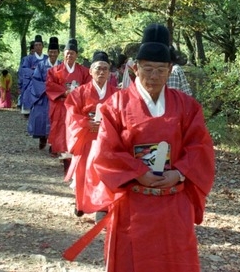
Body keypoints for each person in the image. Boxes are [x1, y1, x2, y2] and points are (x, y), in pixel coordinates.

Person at [66, 24, 215, 271]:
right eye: (147, 68)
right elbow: (106, 152)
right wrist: (138, 172)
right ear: (135, 69)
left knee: (174, 262)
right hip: (132, 202)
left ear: (170, 70)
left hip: (173, 203)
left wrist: (178, 173)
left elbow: (200, 147)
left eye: (160, 69)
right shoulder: (116, 104)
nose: (154, 75)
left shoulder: (187, 106)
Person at [64, 51, 118, 217]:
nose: (101, 72)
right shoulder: (79, 92)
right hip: (87, 136)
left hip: (107, 139)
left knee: (105, 172)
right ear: (90, 71)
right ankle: (81, 204)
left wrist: (106, 125)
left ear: (110, 72)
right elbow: (72, 113)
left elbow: (123, 116)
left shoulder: (117, 93)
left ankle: (102, 207)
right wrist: (86, 123)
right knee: (83, 172)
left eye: (105, 69)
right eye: (98, 69)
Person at [45, 38, 91, 172]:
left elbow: (88, 86)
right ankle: (66, 162)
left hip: (77, 106)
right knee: (62, 133)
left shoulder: (84, 71)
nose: (69, 55)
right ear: (63, 54)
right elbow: (49, 84)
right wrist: (65, 92)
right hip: (61, 106)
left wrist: (77, 93)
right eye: (67, 53)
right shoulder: (54, 70)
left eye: (72, 53)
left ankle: (76, 160)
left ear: (76, 55)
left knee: (77, 131)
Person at [23, 37, 61, 150]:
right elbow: (35, 79)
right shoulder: (41, 65)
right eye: (50, 52)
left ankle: (53, 144)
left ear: (58, 53)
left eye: (55, 52)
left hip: (58, 97)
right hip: (43, 96)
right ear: (47, 52)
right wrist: (48, 88)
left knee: (56, 120)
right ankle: (43, 138)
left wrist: (58, 91)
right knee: (41, 117)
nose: (52, 54)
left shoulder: (61, 66)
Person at [19, 36, 47, 118]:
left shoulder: (47, 58)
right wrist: (37, 73)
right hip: (32, 83)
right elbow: (24, 70)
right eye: (36, 45)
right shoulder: (28, 59)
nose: (38, 47)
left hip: (44, 83)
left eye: (40, 45)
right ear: (34, 47)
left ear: (42, 46)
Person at [16, 41, 35, 114]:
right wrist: (20, 85)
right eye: (33, 51)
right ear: (30, 50)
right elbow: (21, 72)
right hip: (27, 83)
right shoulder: (25, 59)